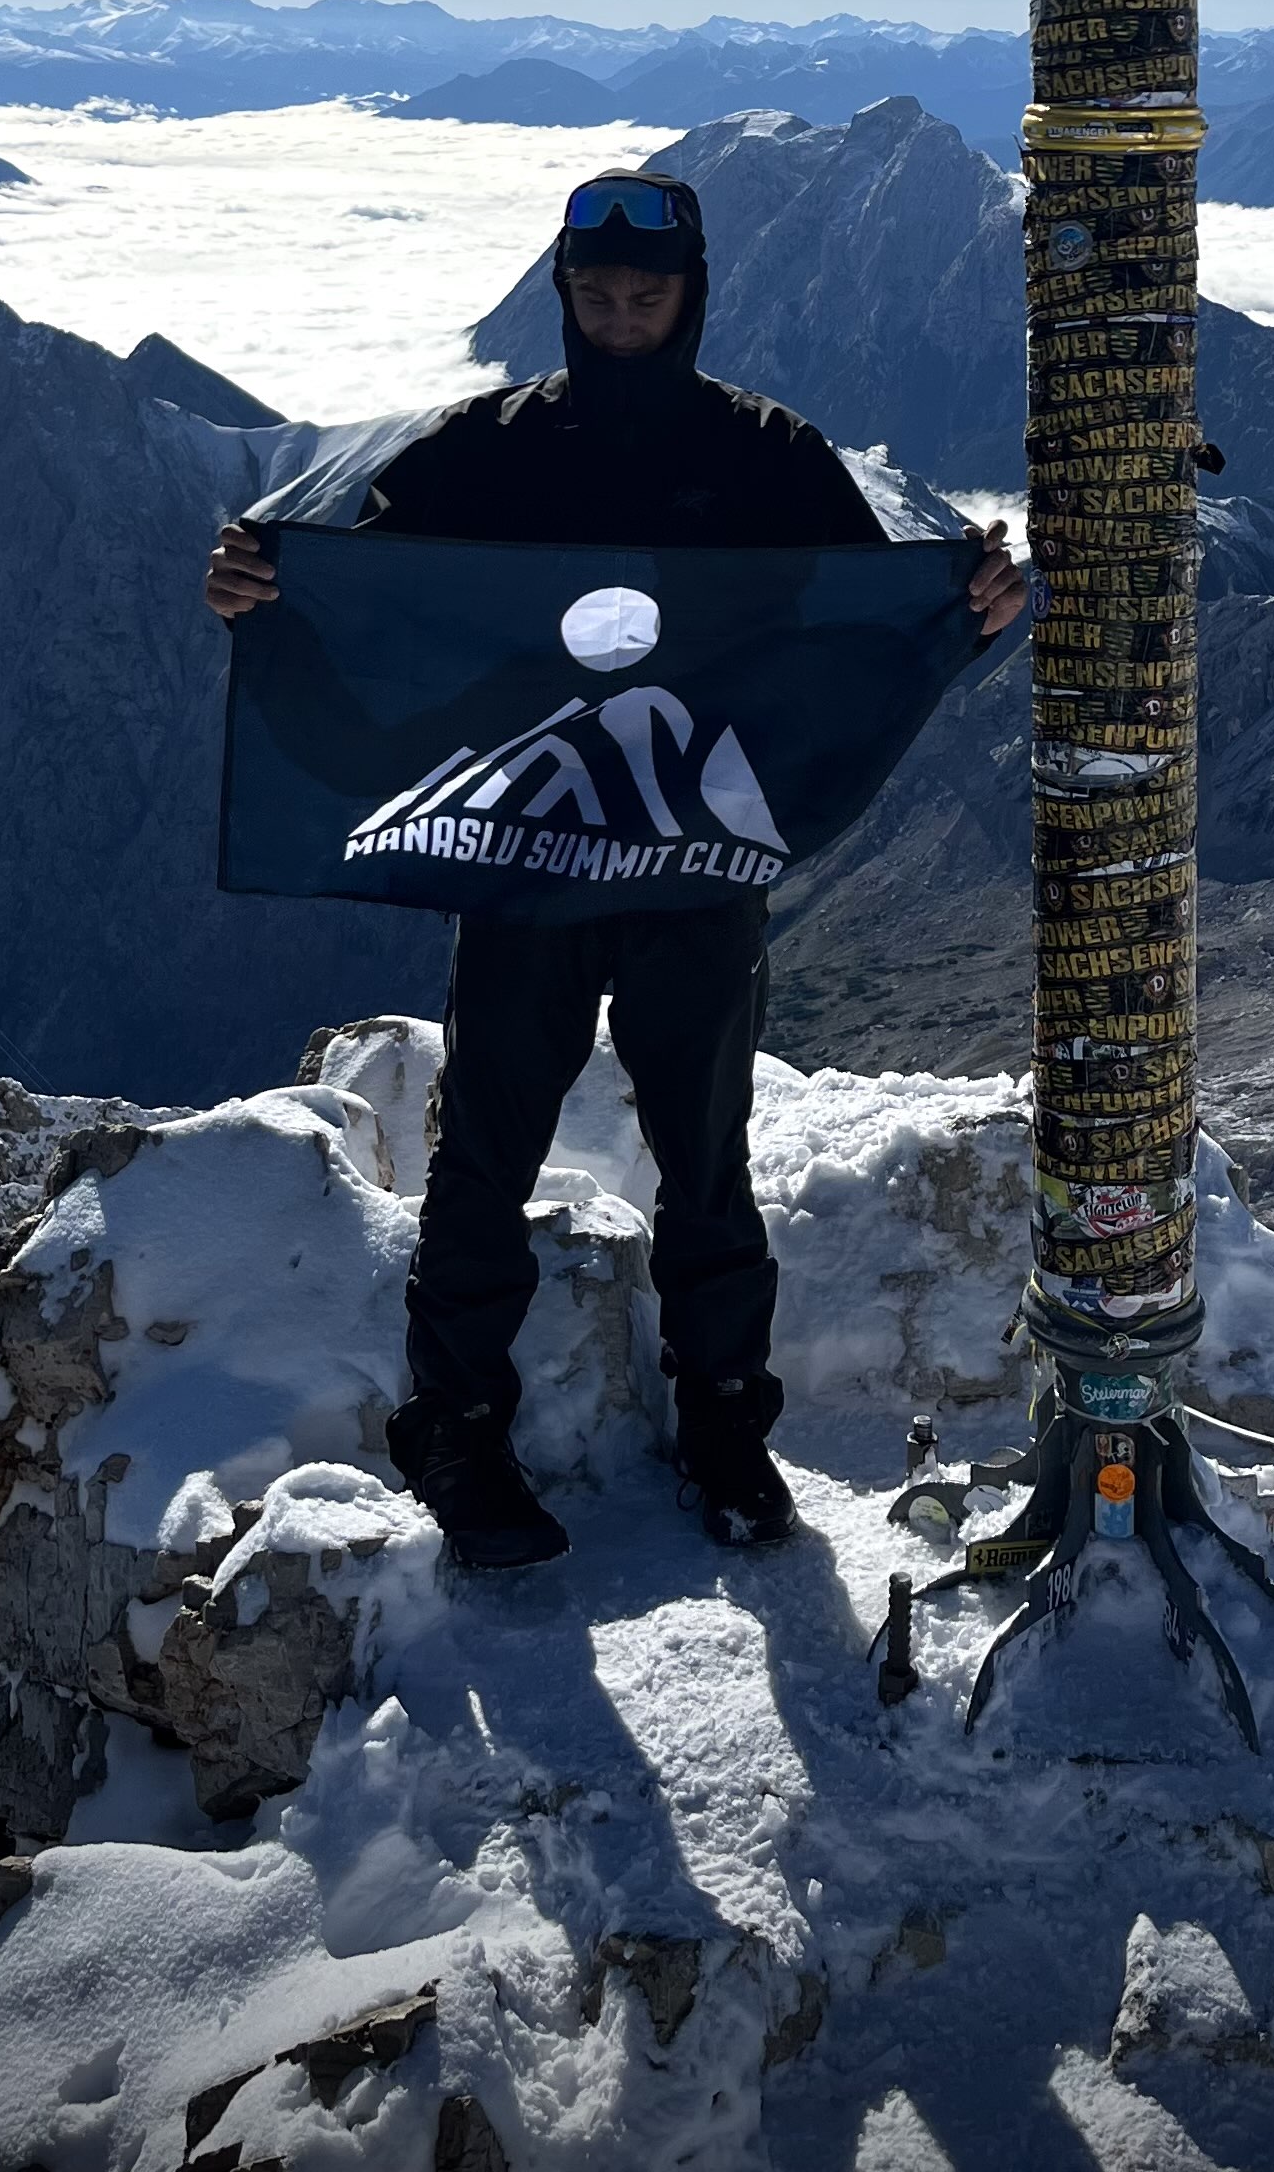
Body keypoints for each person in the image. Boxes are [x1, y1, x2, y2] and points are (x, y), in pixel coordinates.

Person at [208, 166, 1027, 1570]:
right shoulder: (483, 447)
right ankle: (456, 1428)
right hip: (534, 866)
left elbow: (857, 625)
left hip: (690, 870)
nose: (626, 312)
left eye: (650, 292)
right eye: (600, 293)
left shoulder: (771, 453)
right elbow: (360, 599)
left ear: (690, 295)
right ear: (566, 295)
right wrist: (262, 597)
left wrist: (964, 616)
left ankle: (725, 1422)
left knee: (707, 1161)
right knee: (487, 1150)